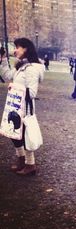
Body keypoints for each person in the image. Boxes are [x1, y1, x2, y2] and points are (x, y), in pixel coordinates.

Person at [0, 37, 44, 175]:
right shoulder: (21, 66)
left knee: (25, 135)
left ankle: (30, 164)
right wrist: (3, 61)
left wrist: (15, 86)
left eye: (17, 47)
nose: (15, 50)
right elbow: (7, 76)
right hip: (15, 105)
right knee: (14, 133)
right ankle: (21, 159)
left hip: (25, 108)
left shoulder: (31, 68)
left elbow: (31, 92)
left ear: (25, 48)